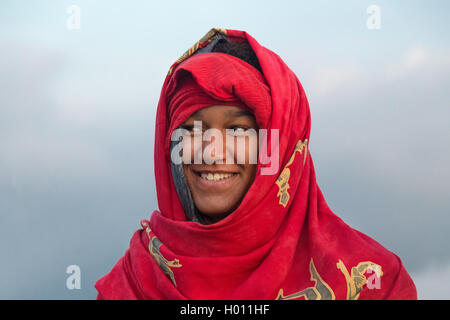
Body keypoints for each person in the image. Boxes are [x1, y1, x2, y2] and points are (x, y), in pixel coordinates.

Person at [95, 28, 417, 300]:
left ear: (282, 144)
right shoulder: (132, 282)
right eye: (191, 129)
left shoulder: (373, 281)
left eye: (238, 130)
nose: (211, 152)